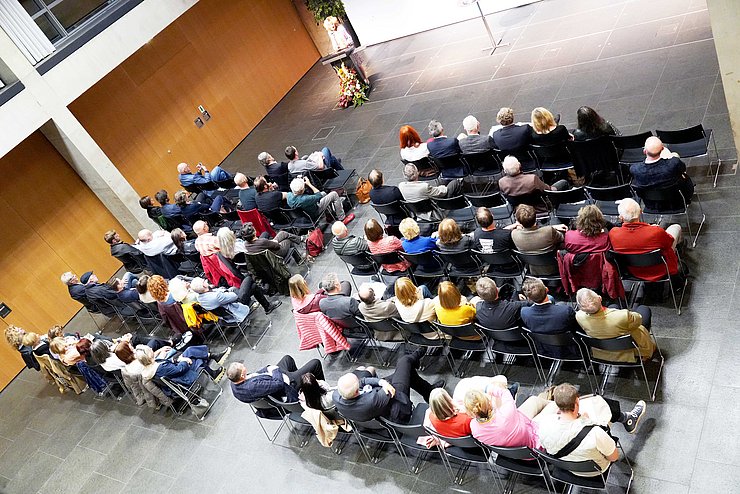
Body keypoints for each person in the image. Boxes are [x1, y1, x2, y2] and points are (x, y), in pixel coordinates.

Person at [536, 383, 646, 477]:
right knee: (599, 405)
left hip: (566, 467)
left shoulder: (543, 424)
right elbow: (614, 457)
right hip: (596, 470)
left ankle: (626, 418)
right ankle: (627, 419)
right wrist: (587, 422)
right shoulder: (594, 433)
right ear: (577, 402)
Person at [333, 348, 444, 423]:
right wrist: (384, 384)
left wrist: (381, 382)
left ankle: (428, 391)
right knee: (404, 362)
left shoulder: (336, 396)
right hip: (396, 406)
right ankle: (420, 352)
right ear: (357, 391)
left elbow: (362, 381)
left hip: (379, 404)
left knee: (406, 372)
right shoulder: (372, 400)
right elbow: (390, 390)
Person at [608, 198, 682, 282]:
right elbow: (669, 242)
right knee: (676, 227)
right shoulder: (656, 232)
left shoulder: (613, 233)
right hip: (660, 269)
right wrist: (654, 229)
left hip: (631, 270)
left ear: (621, 218)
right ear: (640, 211)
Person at [576, 288, 656, 362]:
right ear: (600, 298)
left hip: (602, 352)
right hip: (629, 352)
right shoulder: (623, 316)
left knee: (613, 307)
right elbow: (638, 320)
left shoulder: (579, 316)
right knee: (644, 309)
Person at [520, 277, 580, 358]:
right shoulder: (565, 311)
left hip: (544, 349)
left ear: (529, 298)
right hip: (569, 349)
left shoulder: (524, 312)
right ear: (547, 289)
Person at [227, 356, 325, 404]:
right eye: (242, 367)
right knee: (315, 363)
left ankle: (304, 387)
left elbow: (255, 375)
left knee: (287, 359)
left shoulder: (234, 382)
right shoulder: (253, 386)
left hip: (271, 384)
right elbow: (278, 384)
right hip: (285, 389)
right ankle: (320, 391)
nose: (243, 365)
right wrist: (274, 369)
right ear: (242, 375)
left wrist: (268, 368)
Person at [465, 386, 539, 449]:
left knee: (533, 401)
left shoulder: (474, 429)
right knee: (539, 401)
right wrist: (488, 388)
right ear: (488, 402)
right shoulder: (506, 412)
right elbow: (505, 392)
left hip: (517, 455)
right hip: (536, 444)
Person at [630, 136, 695, 207]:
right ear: (662, 149)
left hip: (652, 205)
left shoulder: (635, 169)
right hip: (677, 202)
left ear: (644, 151)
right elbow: (683, 168)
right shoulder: (673, 163)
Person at [138, 343, 229, 387]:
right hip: (182, 378)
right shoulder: (160, 368)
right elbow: (180, 369)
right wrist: (183, 360)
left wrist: (176, 359)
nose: (151, 348)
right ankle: (213, 368)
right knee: (195, 358)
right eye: (149, 349)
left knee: (190, 350)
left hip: (177, 374)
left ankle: (214, 359)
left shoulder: (149, 367)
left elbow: (165, 364)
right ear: (149, 356)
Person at [191, 276, 280, 321]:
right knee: (248, 279)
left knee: (253, 286)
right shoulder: (216, 297)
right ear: (203, 286)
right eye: (204, 281)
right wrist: (227, 291)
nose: (206, 281)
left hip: (226, 314)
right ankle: (265, 292)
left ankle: (267, 306)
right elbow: (234, 296)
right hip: (236, 307)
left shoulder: (200, 298)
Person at [510, 204, 566, 275]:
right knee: (555, 220)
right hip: (555, 266)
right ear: (536, 217)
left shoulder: (514, 234)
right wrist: (553, 228)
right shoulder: (548, 231)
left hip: (533, 269)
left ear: (518, 222)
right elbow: (562, 238)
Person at [116, 341, 172, 409]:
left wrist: (159, 351)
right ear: (127, 350)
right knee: (166, 350)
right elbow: (152, 362)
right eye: (129, 345)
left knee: (153, 343)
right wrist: (161, 351)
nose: (130, 344)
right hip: (158, 378)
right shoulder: (138, 364)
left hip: (150, 381)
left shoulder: (127, 366)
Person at [498, 156, 568, 209]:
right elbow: (548, 190)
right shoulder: (532, 179)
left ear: (504, 171)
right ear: (519, 165)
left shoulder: (502, 182)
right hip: (540, 207)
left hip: (520, 210)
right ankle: (563, 207)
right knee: (563, 182)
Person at [398, 163, 463, 220]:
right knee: (455, 183)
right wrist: (442, 187)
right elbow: (443, 192)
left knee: (442, 183)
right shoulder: (424, 187)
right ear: (417, 173)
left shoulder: (401, 186)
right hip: (433, 213)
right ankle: (457, 205)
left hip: (417, 213)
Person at [287, 177, 354, 225]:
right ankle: (342, 218)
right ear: (302, 190)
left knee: (324, 193)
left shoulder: (289, 196)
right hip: (315, 211)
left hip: (305, 214)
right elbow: (318, 195)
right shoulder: (305, 199)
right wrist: (309, 184)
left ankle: (329, 215)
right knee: (334, 194)